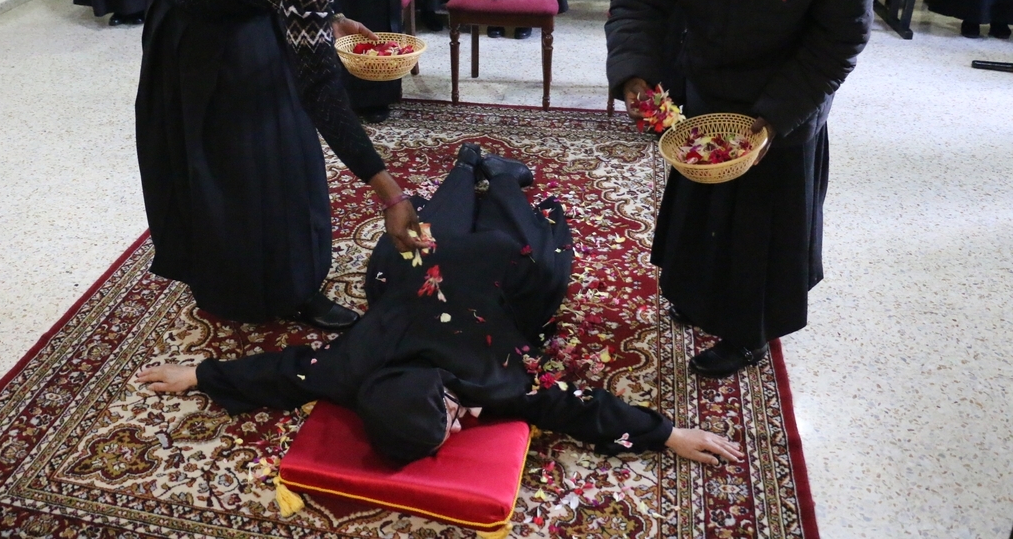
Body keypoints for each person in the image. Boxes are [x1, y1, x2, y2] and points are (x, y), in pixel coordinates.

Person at [137, 146, 744, 467]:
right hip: (438, 277)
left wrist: (666, 434)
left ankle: (487, 172)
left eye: (448, 422)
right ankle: (475, 172)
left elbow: (574, 404)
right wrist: (194, 375)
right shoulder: (348, 371)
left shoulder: (491, 377)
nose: (461, 427)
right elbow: (284, 371)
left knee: (529, 255)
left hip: (493, 268)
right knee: (430, 239)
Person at [136, 0, 448, 332]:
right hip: (195, 11)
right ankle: (243, 290)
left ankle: (292, 281)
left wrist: (329, 18)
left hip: (243, 0)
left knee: (285, 145)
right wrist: (387, 190)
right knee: (239, 156)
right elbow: (319, 86)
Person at [606, 0, 873, 377]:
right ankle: (692, 291)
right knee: (701, 199)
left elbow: (839, 42)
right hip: (706, 77)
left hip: (787, 93)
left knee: (762, 221)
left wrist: (772, 122)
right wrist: (635, 74)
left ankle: (747, 331)